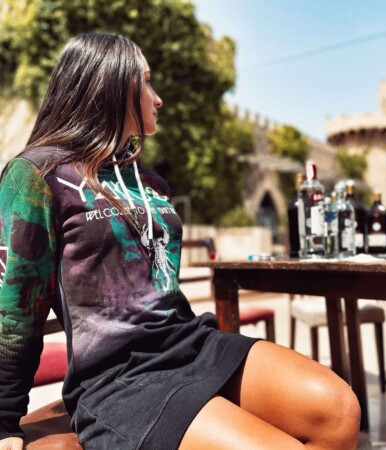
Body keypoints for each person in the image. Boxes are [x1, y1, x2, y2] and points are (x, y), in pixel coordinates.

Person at [0, 32, 360, 450]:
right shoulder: (37, 174)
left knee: (339, 412)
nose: (158, 99)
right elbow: (14, 309)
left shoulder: (148, 180)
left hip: (191, 342)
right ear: (111, 84)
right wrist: (4, 420)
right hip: (120, 377)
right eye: (145, 82)